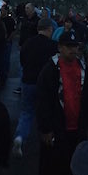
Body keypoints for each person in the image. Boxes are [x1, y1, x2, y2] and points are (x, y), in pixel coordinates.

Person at [37, 30, 88, 175]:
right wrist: (45, 128)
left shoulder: (83, 68)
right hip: (57, 127)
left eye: (76, 47)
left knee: (76, 167)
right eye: (69, 46)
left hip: (77, 128)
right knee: (53, 168)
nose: (73, 50)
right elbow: (42, 100)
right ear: (60, 48)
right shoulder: (50, 69)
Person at [12, 18, 57, 158]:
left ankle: (20, 137)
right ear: (49, 29)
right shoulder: (53, 46)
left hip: (28, 81)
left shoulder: (28, 43)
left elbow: (22, 61)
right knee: (47, 112)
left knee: (27, 112)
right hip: (45, 84)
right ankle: (47, 141)